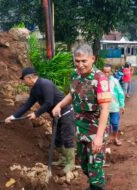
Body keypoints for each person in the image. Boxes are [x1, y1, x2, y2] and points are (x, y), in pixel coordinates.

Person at [52, 44, 111, 190]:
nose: (80, 64)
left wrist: (98, 137)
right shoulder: (75, 75)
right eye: (77, 61)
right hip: (80, 128)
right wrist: (59, 105)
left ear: (92, 59)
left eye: (84, 61)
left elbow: (105, 109)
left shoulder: (100, 78)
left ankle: (96, 187)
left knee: (95, 166)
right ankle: (93, 184)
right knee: (84, 163)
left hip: (96, 129)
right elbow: (73, 94)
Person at [5, 67, 75, 175]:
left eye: (24, 79)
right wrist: (13, 117)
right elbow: (27, 105)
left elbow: (48, 102)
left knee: (67, 137)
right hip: (56, 116)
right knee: (56, 139)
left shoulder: (44, 84)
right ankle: (63, 159)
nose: (24, 82)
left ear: (29, 78)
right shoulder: (34, 90)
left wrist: (36, 114)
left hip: (66, 113)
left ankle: (70, 163)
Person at [103, 64, 125, 146]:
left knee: (115, 123)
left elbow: (120, 93)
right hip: (103, 108)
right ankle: (107, 138)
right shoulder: (100, 81)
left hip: (114, 107)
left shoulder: (115, 81)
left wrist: (122, 105)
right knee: (105, 125)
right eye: (104, 72)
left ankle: (115, 138)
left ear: (111, 72)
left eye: (108, 72)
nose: (106, 74)